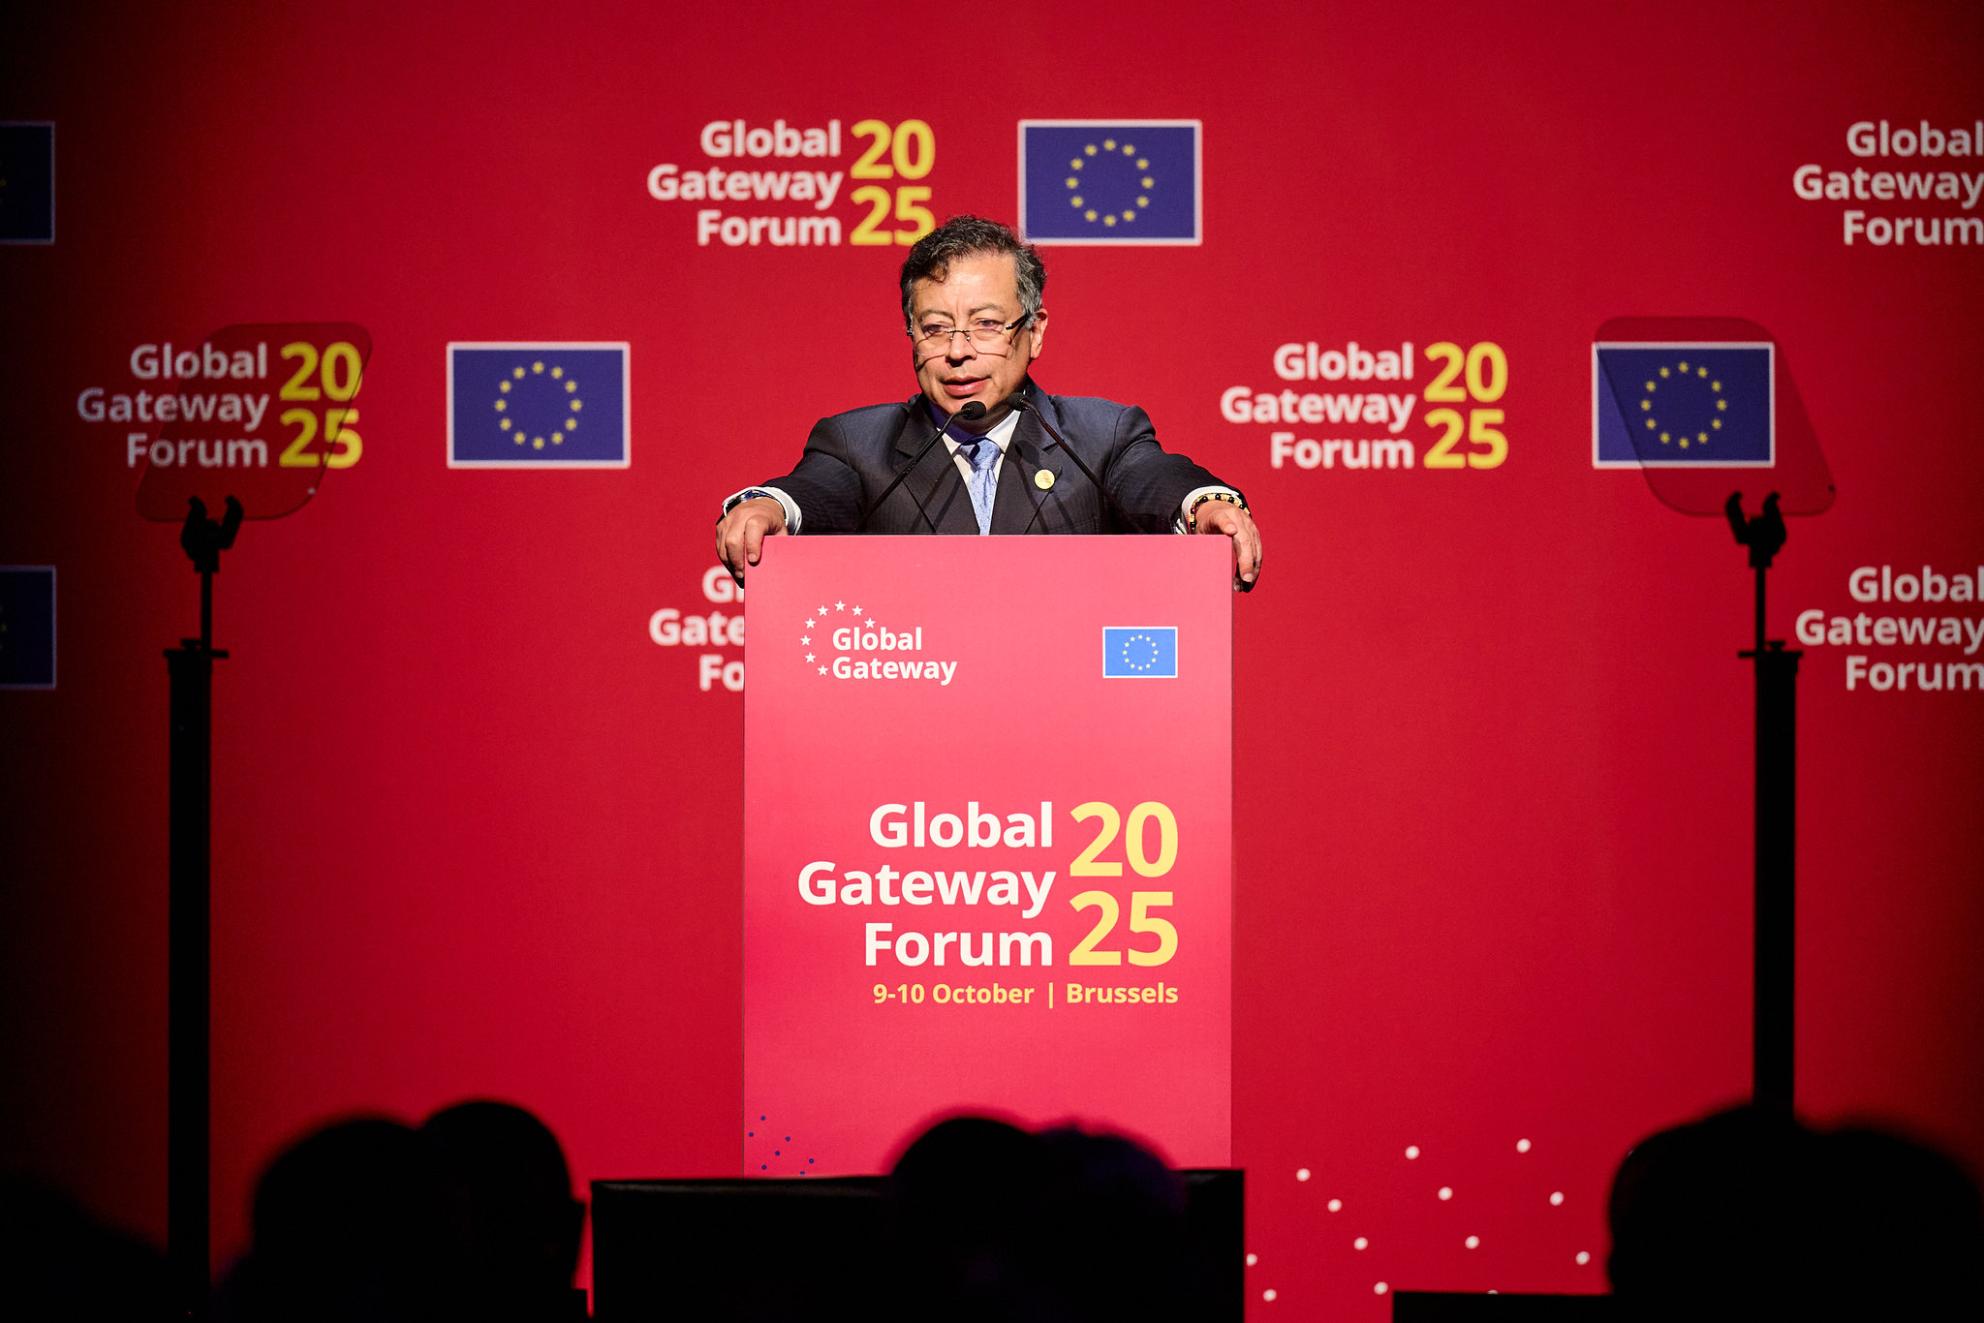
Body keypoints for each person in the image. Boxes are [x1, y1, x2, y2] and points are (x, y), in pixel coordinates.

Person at [715, 215, 1261, 588]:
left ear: (1034, 332)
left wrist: (1206, 506)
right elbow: (811, 492)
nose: (958, 352)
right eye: (935, 329)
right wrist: (767, 507)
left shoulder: (1100, 437)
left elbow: (1156, 479)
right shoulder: (858, 445)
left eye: (986, 325)